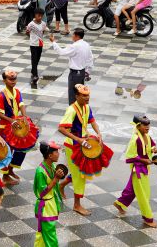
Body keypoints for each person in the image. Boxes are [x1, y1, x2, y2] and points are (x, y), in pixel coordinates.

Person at [57, 84, 103, 216]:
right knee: (80, 176)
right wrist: (77, 139)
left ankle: (62, 185)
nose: (87, 97)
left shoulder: (87, 107)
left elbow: (92, 121)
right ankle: (77, 205)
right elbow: (61, 128)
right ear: (77, 96)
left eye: (88, 95)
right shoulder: (71, 110)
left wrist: (98, 133)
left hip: (83, 143)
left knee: (83, 171)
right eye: (84, 95)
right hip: (73, 146)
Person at [113, 114, 157, 227]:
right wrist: (144, 160)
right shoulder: (135, 139)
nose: (147, 127)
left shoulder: (146, 135)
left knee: (132, 188)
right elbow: (129, 157)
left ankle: (120, 203)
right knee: (144, 193)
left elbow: (151, 144)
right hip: (138, 169)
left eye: (148, 125)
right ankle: (148, 219)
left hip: (144, 167)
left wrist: (154, 149)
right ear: (138, 126)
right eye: (144, 125)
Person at [0, 68, 30, 185]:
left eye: (14, 79)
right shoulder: (1, 95)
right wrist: (11, 121)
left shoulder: (17, 92)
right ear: (4, 80)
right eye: (10, 79)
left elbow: (21, 104)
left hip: (17, 127)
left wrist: (24, 117)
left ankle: (10, 170)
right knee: (7, 151)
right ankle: (5, 176)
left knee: (22, 148)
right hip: (6, 128)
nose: (13, 81)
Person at [49, 28, 94, 104]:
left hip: (75, 74)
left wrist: (53, 42)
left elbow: (61, 52)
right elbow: (90, 59)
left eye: (73, 34)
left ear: (76, 36)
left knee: (73, 95)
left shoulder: (74, 46)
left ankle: (73, 114)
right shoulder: (86, 45)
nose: (72, 36)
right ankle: (80, 113)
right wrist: (88, 72)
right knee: (81, 94)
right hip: (82, 72)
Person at [33, 141, 65, 247]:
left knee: (43, 234)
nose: (58, 153)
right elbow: (42, 193)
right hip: (45, 207)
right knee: (50, 235)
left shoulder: (52, 166)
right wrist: (56, 179)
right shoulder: (40, 171)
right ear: (50, 155)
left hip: (51, 203)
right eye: (56, 152)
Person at [26, 9, 49, 87]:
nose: (39, 17)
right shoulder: (31, 24)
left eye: (41, 16)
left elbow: (44, 30)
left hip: (40, 44)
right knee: (34, 59)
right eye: (38, 15)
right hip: (33, 44)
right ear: (35, 15)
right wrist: (31, 38)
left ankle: (33, 70)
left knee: (38, 58)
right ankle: (35, 75)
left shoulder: (43, 24)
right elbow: (27, 32)